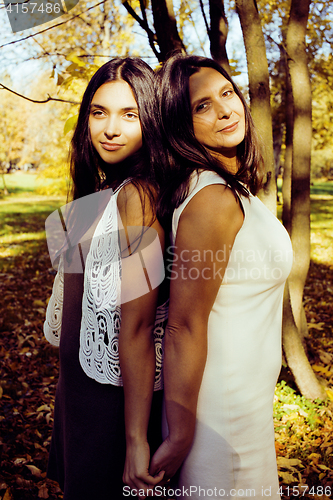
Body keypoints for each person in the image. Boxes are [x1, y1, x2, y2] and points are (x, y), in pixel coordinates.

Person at [149, 54, 293, 499]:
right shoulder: (212, 200)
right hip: (220, 414)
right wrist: (179, 436)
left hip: (245, 407)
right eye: (202, 106)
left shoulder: (227, 188)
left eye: (227, 94)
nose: (226, 109)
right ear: (179, 124)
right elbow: (183, 324)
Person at [44, 57, 168, 499]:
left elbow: (136, 328)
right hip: (77, 396)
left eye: (129, 114)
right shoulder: (98, 196)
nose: (110, 129)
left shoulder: (140, 197)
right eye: (99, 112)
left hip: (113, 407)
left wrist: (136, 442)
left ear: (152, 120)